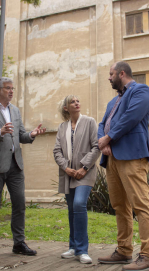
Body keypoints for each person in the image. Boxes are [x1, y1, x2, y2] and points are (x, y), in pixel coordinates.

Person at [97, 62, 149, 271]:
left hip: (132, 156)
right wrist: (102, 142)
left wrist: (109, 137)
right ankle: (124, 250)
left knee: (141, 205)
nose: (109, 78)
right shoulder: (113, 101)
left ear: (121, 74)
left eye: (111, 74)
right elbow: (101, 124)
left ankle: (148, 255)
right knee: (120, 206)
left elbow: (131, 117)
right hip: (112, 158)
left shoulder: (141, 91)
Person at [0, 77, 46, 258]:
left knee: (19, 204)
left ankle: (19, 243)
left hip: (15, 165)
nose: (11, 91)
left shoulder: (15, 110)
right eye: (8, 88)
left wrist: (31, 134)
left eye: (12, 88)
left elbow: (20, 135)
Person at [53, 95, 101, 264]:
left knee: (79, 204)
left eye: (78, 101)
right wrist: (66, 168)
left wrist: (84, 167)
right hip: (68, 173)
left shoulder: (89, 122)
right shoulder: (62, 127)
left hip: (85, 173)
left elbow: (97, 146)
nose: (77, 103)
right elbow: (57, 151)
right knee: (72, 209)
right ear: (66, 107)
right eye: (73, 102)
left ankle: (82, 250)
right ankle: (73, 246)